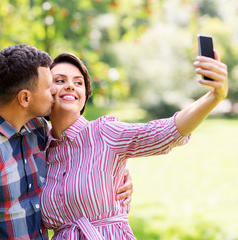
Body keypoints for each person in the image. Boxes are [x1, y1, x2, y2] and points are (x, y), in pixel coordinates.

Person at [0, 44, 133, 240]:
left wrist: (114, 175)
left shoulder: (37, 128)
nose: (55, 92)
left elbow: (70, 156)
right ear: (24, 98)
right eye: (49, 88)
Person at [40, 51, 228, 239]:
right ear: (45, 91)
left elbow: (164, 132)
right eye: (60, 80)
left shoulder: (104, 132)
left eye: (78, 82)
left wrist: (214, 97)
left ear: (85, 95)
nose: (71, 86)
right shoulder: (39, 147)